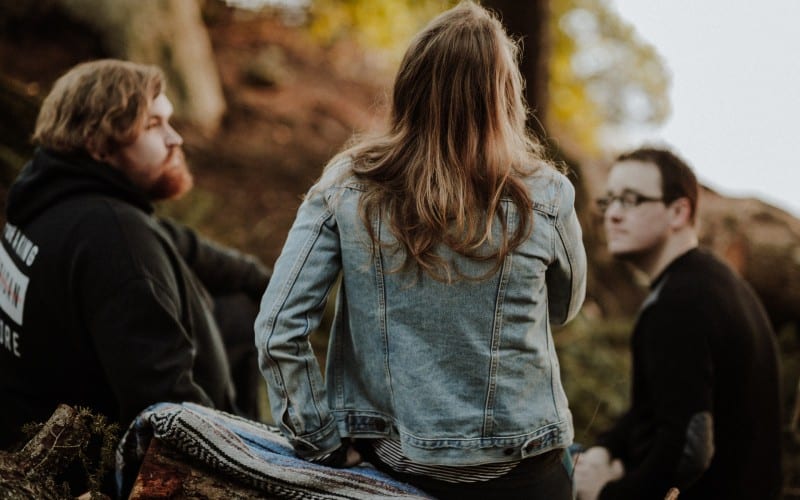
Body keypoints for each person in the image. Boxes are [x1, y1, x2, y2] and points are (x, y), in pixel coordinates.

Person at [255, 3, 587, 499]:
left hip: (392, 470)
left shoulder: (348, 185)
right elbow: (563, 308)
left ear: (410, 84)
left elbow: (277, 328)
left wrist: (320, 443)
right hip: (524, 472)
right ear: (505, 96)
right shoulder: (546, 194)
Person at [0, 59, 270, 453]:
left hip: (41, 412)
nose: (175, 138)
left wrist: (276, 289)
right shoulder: (115, 240)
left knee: (242, 307)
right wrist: (247, 458)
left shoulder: (49, 198)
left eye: (169, 121)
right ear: (99, 144)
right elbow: (170, 411)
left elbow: (183, 243)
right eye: (153, 125)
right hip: (88, 463)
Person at [574, 147, 782, 499]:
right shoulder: (709, 282)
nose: (613, 215)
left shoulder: (680, 303)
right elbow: (659, 411)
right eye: (608, 201)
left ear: (678, 211)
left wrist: (607, 493)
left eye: (630, 200)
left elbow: (688, 448)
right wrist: (606, 449)